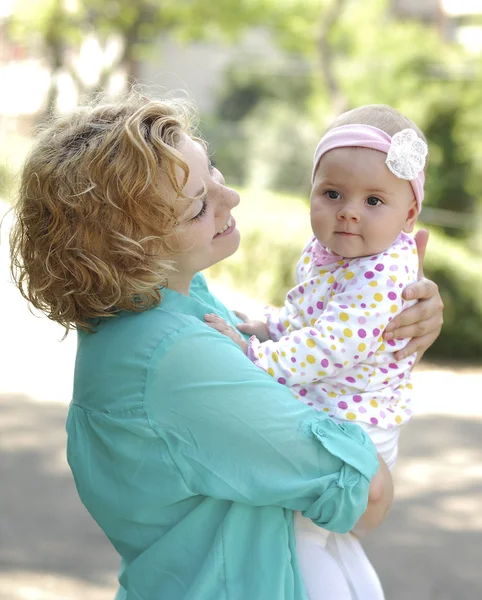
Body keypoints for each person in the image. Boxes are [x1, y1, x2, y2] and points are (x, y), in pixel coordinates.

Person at [9, 92, 443, 600]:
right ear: (134, 244)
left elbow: (292, 334)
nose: (230, 196)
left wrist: (397, 328)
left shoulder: (163, 301)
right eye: (199, 205)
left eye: (212, 170)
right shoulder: (176, 358)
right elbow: (367, 497)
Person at [204, 104, 432, 598]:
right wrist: (271, 323)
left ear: (409, 213)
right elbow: (312, 314)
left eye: (375, 200)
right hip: (339, 412)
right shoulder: (331, 250)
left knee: (299, 534)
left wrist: (254, 354)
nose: (349, 210)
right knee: (330, 538)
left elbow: (332, 345)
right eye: (332, 193)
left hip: (357, 423)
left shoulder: (383, 272)